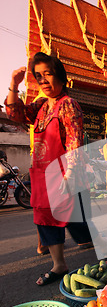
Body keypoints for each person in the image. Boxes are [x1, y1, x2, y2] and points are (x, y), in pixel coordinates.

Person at [5, 52, 92, 285]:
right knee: (44, 216)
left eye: (48, 74)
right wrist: (14, 84)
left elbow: (74, 140)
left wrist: (70, 174)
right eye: (38, 76)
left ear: (61, 77)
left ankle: (99, 244)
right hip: (42, 173)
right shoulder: (42, 106)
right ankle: (59, 264)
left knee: (75, 219)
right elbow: (15, 114)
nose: (43, 80)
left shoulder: (68, 105)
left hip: (64, 173)